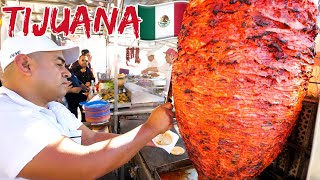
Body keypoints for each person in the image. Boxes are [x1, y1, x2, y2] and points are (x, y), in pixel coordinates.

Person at [0, 35, 174, 179]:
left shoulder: (53, 107)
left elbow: (90, 139)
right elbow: (82, 166)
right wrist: (149, 128)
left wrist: (143, 140)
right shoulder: (7, 116)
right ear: (25, 65)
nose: (67, 73)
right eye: (59, 64)